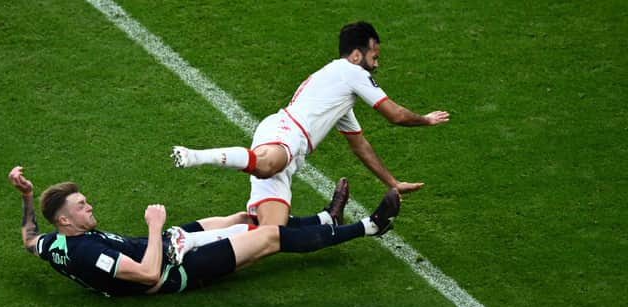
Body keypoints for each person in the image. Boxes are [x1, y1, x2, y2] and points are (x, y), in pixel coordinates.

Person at [171, 21, 449, 226]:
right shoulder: (350, 72)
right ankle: (195, 156)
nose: (376, 65)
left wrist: (393, 182)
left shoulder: (339, 96)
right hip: (287, 132)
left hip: (287, 140)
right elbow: (395, 115)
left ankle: (190, 239)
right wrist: (426, 119)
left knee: (268, 232)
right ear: (356, 55)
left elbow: (360, 145)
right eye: (374, 57)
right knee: (267, 165)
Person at [8, 166, 401, 297]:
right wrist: (155, 225)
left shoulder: (53, 243)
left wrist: (27, 196)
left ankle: (325, 221)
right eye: (81, 206)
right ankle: (369, 227)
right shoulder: (86, 254)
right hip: (177, 270)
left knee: (243, 219)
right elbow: (147, 275)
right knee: (268, 237)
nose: (89, 206)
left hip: (163, 245)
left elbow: (28, 237)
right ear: (65, 220)